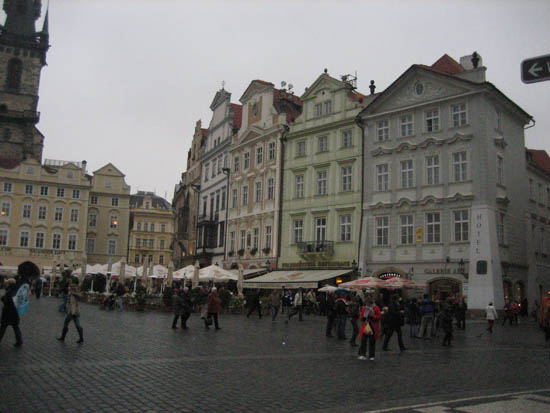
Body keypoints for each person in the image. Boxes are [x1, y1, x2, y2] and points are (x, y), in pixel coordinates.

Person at [56, 279, 84, 344]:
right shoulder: (71, 294)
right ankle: (81, 338)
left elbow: (74, 303)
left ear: (72, 288)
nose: (68, 288)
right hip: (74, 312)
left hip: (72, 312)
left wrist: (73, 293)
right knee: (77, 325)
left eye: (69, 287)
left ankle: (63, 337)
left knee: (66, 324)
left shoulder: (73, 294)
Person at [0, 279, 23, 347]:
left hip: (8, 313)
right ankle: (19, 341)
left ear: (9, 284)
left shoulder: (9, 292)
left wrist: (2, 297)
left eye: (7, 283)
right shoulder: (17, 291)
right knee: (16, 327)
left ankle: (19, 341)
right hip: (15, 313)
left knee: (2, 328)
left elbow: (7, 302)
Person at [358, 296, 381, 361]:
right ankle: (363, 354)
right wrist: (363, 319)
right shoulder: (364, 308)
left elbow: (379, 316)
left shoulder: (376, 308)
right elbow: (361, 316)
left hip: (372, 326)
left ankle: (371, 355)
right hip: (366, 326)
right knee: (364, 341)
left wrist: (373, 316)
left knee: (372, 341)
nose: (367, 305)